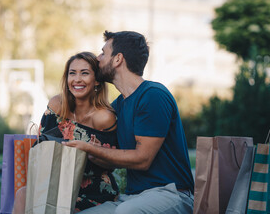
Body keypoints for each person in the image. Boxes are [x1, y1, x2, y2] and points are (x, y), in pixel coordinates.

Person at [63, 31, 195, 214]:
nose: (98, 59)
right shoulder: (118, 105)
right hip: (134, 197)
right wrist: (96, 153)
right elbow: (114, 158)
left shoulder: (153, 95)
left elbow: (143, 160)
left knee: (126, 212)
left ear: (117, 59)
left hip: (172, 194)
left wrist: (91, 149)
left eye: (103, 53)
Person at [12, 52, 119, 213]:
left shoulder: (104, 117)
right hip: (55, 182)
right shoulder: (57, 105)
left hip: (93, 190)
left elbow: (112, 165)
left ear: (96, 80)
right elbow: (41, 146)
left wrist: (95, 152)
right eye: (72, 73)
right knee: (22, 193)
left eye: (84, 73)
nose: (77, 79)